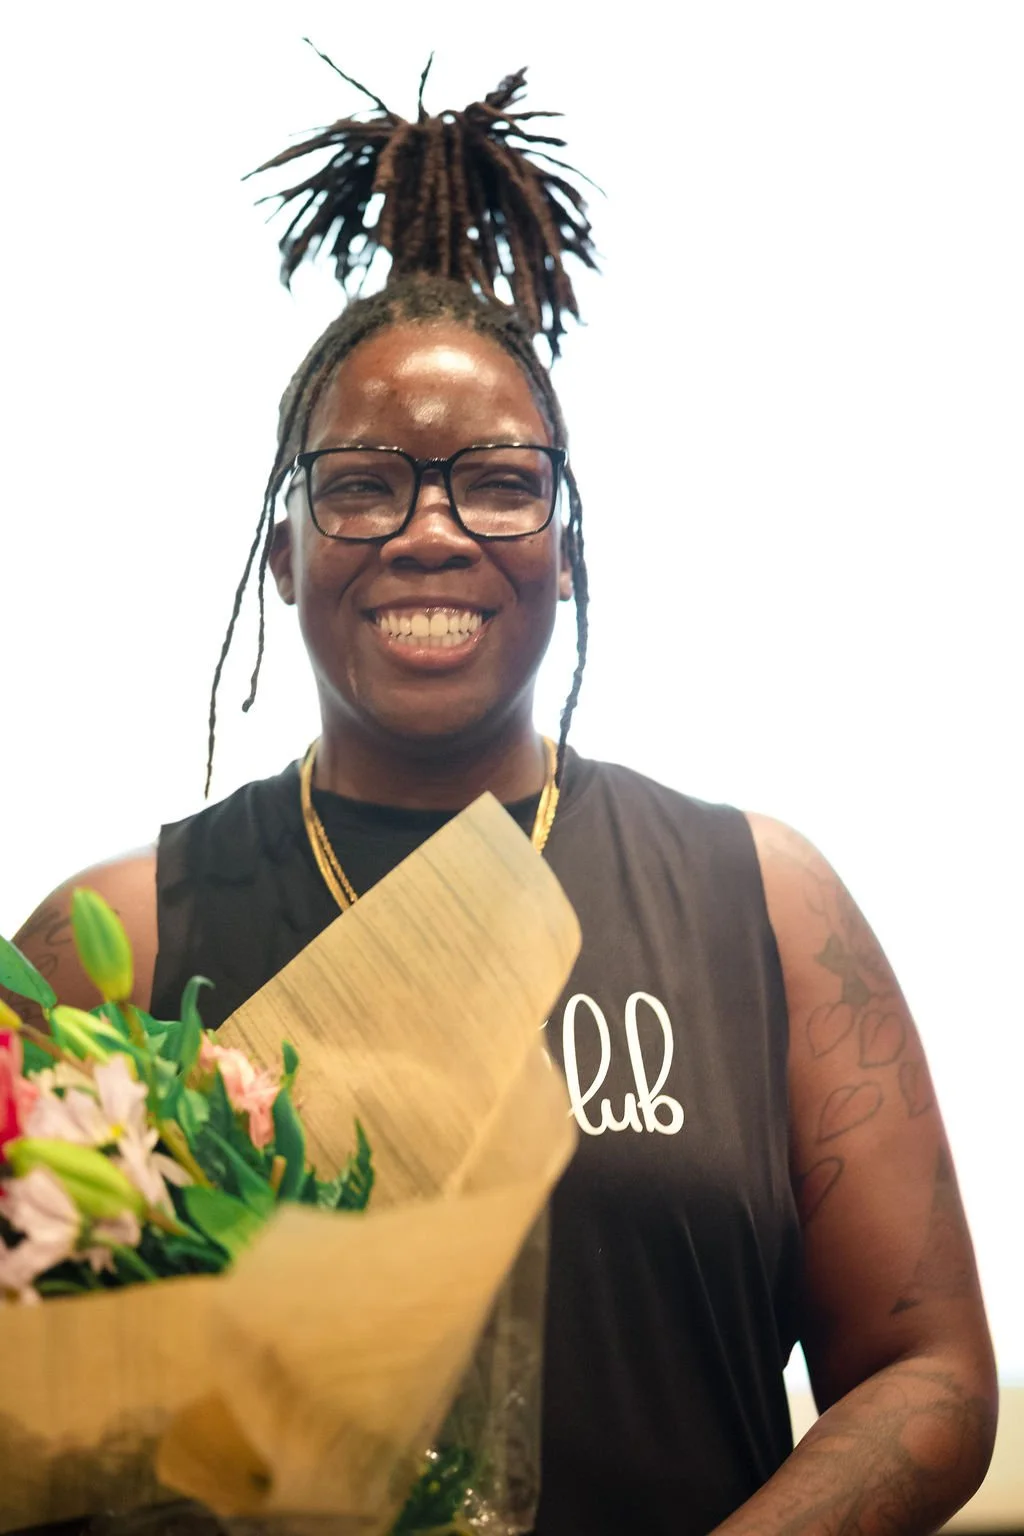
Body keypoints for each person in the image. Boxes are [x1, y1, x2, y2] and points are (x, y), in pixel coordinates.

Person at [3, 60, 996, 1536]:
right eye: (361, 484)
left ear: (569, 548)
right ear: (283, 555)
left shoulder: (763, 903)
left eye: (498, 482)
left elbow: (927, 1370)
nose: (430, 531)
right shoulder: (116, 941)